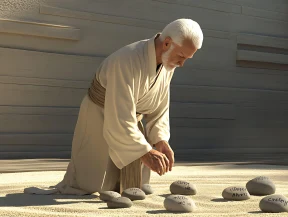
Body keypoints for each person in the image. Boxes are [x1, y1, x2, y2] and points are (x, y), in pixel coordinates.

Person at [25, 19, 203, 195]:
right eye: (181, 56)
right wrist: (145, 151)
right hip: (99, 115)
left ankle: (128, 187)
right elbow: (120, 116)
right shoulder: (127, 60)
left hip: (127, 118)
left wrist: (160, 140)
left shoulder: (166, 65)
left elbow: (160, 106)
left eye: (187, 59)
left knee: (129, 187)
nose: (182, 64)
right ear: (167, 43)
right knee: (90, 184)